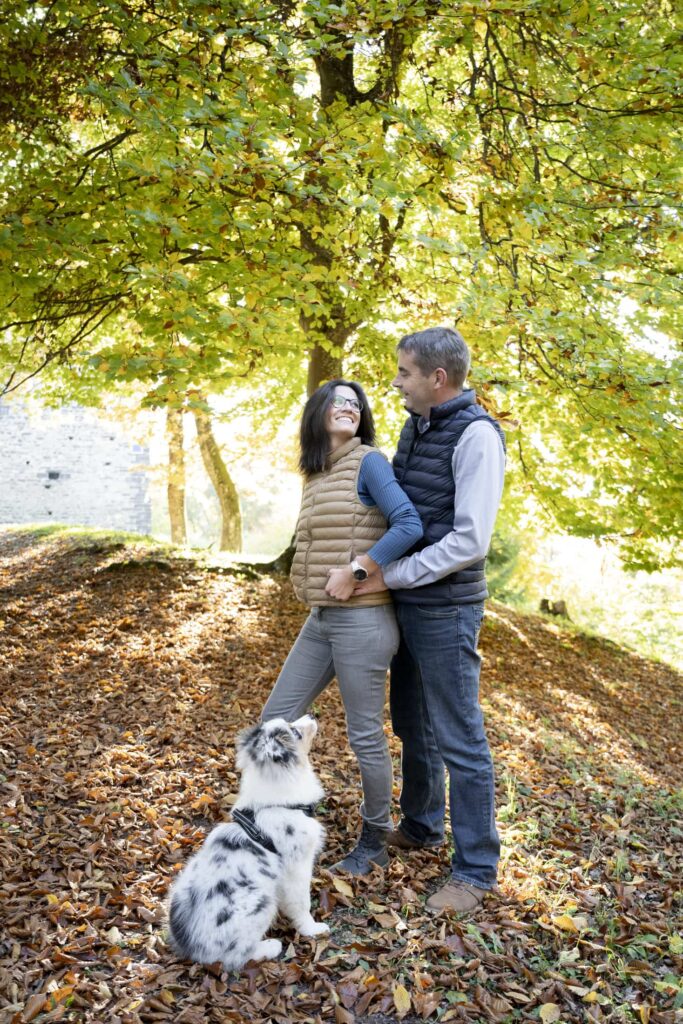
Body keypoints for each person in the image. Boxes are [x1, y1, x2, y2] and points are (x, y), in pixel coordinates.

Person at [355, 326, 506, 913]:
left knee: (460, 736)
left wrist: (388, 575)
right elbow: (396, 510)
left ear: (436, 379)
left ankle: (475, 870)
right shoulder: (416, 427)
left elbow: (469, 540)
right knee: (412, 724)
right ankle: (421, 825)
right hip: (407, 604)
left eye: (404, 373)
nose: (395, 383)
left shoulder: (476, 437)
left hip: (447, 607)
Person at [261, 379, 423, 875]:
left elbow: (409, 524)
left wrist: (358, 570)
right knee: (275, 721)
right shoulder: (315, 472)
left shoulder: (368, 461)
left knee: (364, 736)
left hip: (365, 621)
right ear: (318, 412)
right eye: (339, 401)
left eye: (356, 403)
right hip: (321, 620)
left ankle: (373, 839)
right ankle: (284, 819)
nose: (349, 407)